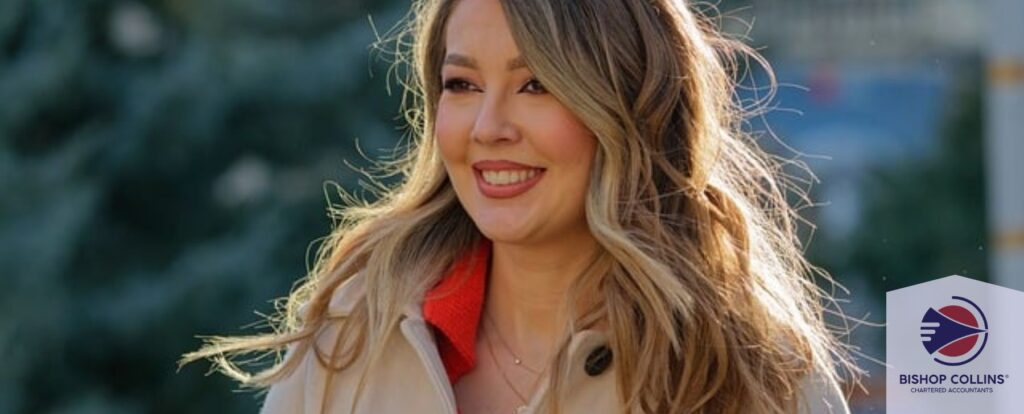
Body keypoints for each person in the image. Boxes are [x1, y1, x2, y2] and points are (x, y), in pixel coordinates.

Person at [181, 0, 859, 412]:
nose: (488, 127)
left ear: (626, 109)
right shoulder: (352, 334)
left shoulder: (751, 375)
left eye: (536, 85)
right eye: (462, 83)